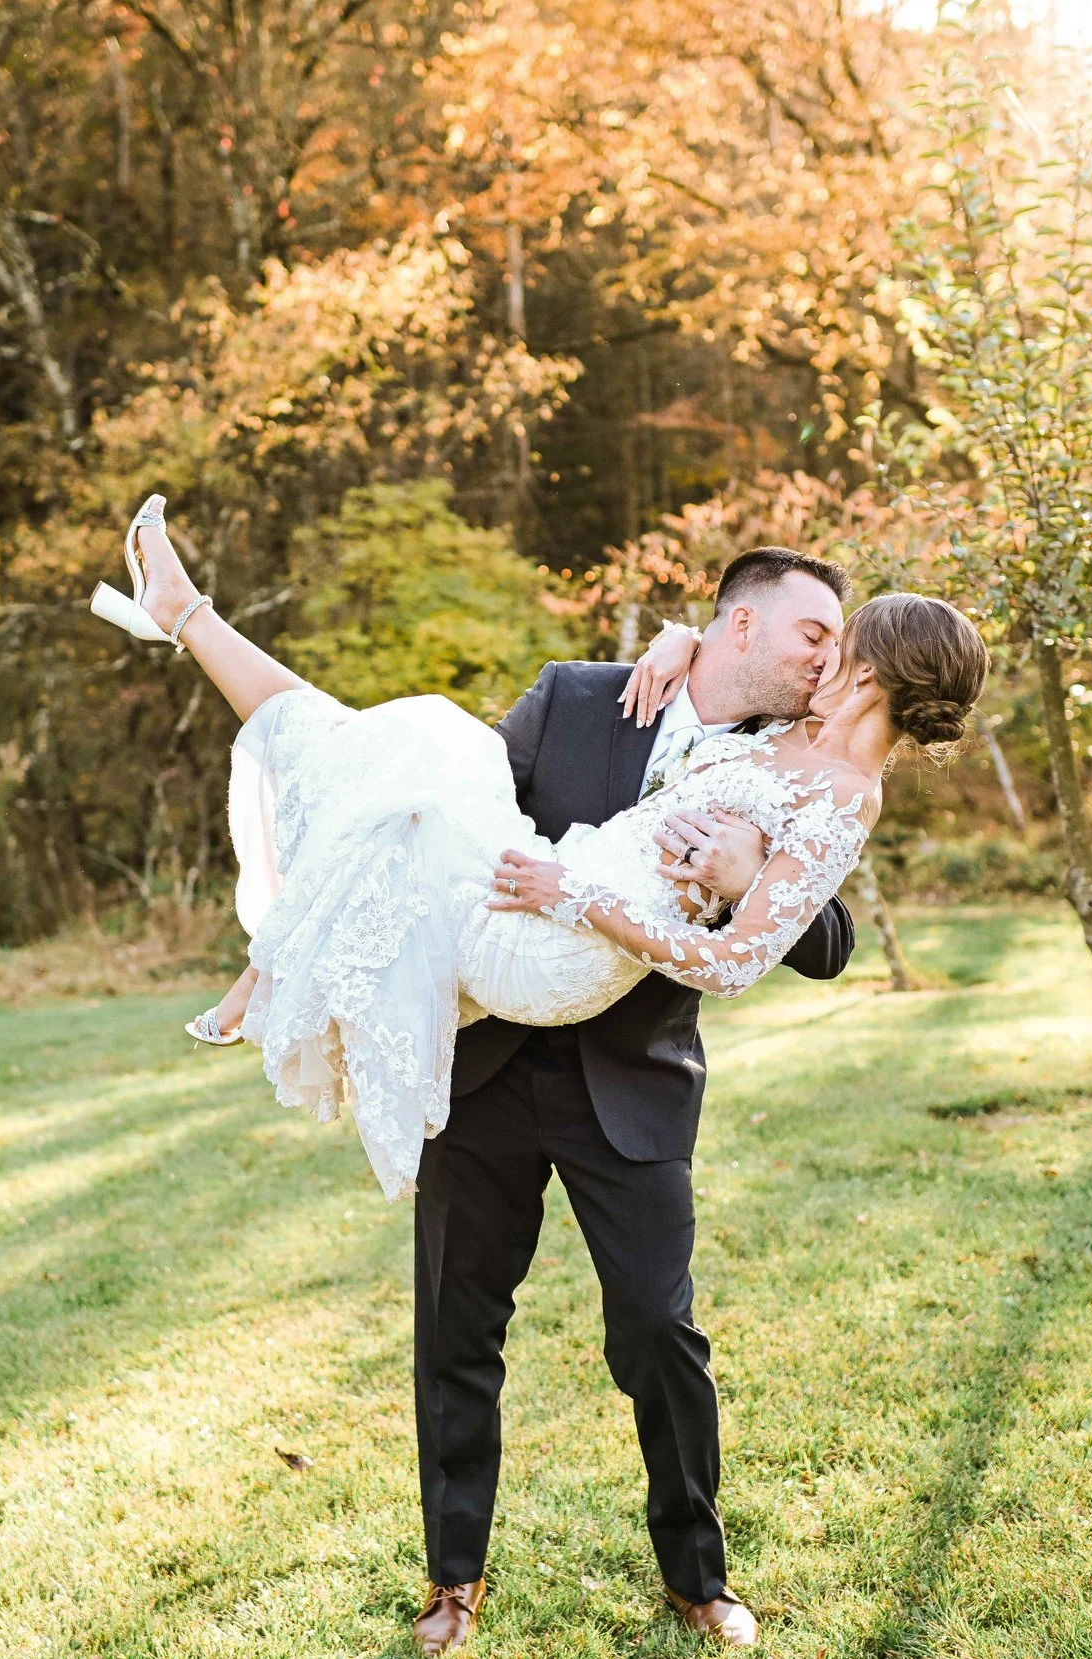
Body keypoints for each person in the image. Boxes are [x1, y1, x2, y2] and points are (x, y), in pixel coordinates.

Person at [91, 494, 988, 1650]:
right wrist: (668, 650)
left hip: (631, 1076)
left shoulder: (798, 762)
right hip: (492, 1055)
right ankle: (452, 1576)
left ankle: (698, 1576)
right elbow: (439, 819)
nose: (825, 652)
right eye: (810, 631)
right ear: (738, 628)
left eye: (840, 640)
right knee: (456, 1326)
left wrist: (739, 865)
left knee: (659, 1335)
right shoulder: (580, 693)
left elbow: (819, 933)